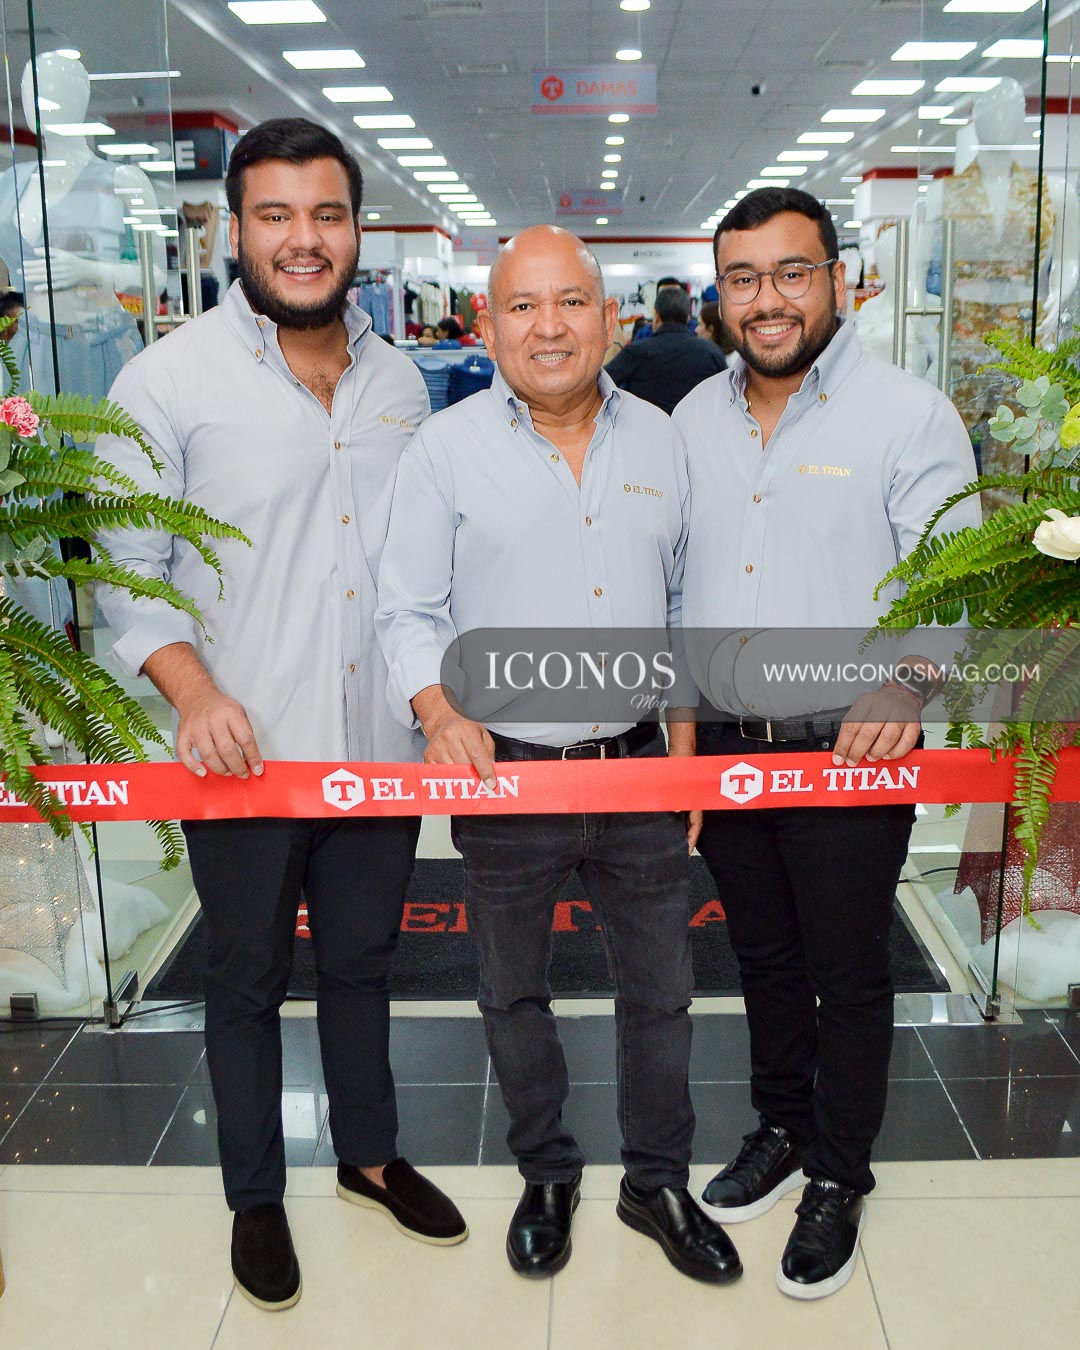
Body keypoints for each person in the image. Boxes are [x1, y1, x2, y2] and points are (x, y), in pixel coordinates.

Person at [94, 117, 467, 1313]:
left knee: (363, 962)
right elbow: (127, 572)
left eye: (327, 214)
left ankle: (370, 1157)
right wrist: (194, 691)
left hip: (375, 750)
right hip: (243, 756)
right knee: (246, 976)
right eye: (276, 215)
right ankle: (255, 1193)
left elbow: (420, 566)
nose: (304, 240)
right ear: (235, 230)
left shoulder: (401, 380)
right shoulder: (166, 381)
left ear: (356, 229)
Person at [376, 224, 742, 1287]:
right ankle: (546, 1172)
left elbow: (682, 603)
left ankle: (656, 1182)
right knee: (511, 992)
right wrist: (436, 708)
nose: (549, 327)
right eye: (524, 306)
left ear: (610, 319)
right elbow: (407, 607)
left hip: (638, 765)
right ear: (489, 325)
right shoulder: (445, 451)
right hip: (510, 772)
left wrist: (684, 744)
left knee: (662, 992)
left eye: (571, 301)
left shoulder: (662, 442)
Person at [673, 187, 979, 1300]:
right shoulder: (692, 420)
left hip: (850, 749)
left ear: (837, 278)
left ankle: (841, 1173)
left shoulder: (909, 416)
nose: (768, 299)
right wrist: (682, 745)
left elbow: (954, 579)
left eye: (791, 273)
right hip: (726, 747)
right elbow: (676, 589)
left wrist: (906, 677)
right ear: (720, 295)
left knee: (848, 971)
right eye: (743, 278)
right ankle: (782, 1126)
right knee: (761, 958)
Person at [604, 284, 727, 414]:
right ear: (688, 317)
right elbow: (728, 394)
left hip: (648, 424)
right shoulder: (711, 352)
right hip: (698, 425)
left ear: (656, 315)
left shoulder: (637, 351)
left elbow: (602, 383)